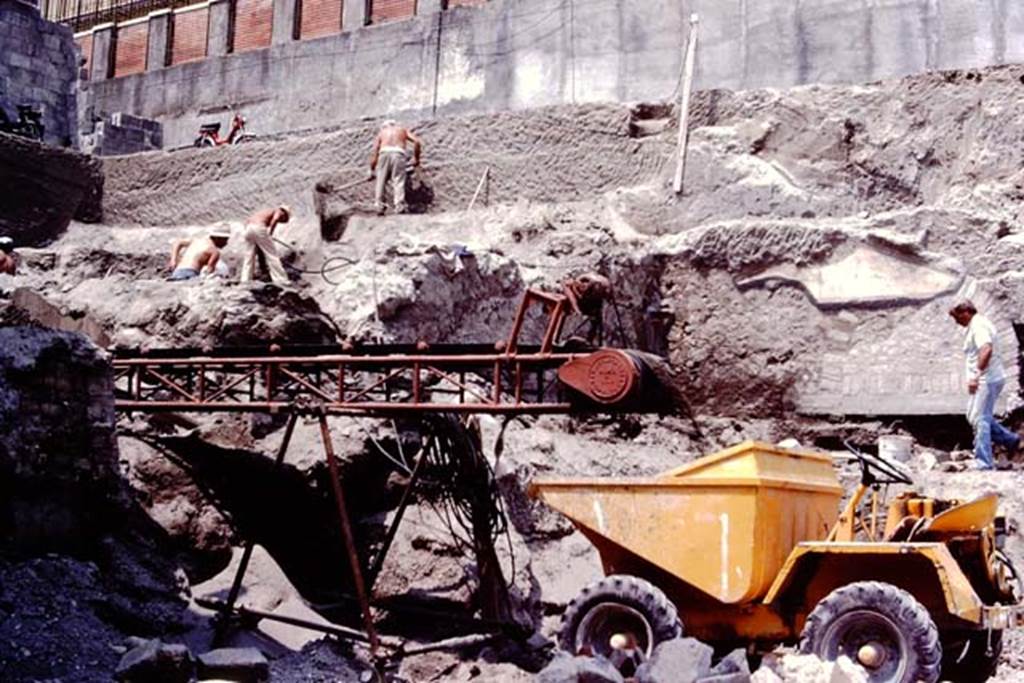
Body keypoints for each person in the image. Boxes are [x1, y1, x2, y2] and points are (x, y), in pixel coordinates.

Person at [949, 299, 1020, 470]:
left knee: (980, 419)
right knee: (973, 416)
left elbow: (986, 349)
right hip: (986, 379)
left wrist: (976, 375)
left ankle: (984, 462)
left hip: (987, 380)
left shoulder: (979, 326)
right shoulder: (976, 325)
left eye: (957, 317)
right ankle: (1010, 440)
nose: (956, 321)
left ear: (966, 312)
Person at [369, 119, 422, 215]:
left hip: (383, 153)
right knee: (398, 180)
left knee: (381, 180)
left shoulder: (382, 133)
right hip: (398, 154)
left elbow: (375, 151)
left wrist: (371, 170)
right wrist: (416, 158)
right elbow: (417, 142)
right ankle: (399, 206)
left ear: (385, 126)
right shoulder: (402, 130)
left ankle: (379, 206)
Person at [240, 205, 290, 285]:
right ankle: (281, 279)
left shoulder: (264, 212)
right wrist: (269, 233)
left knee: (249, 256)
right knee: (272, 254)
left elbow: (247, 221)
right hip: (259, 227)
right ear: (284, 213)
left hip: (248, 228)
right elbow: (275, 219)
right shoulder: (278, 211)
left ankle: (245, 280)